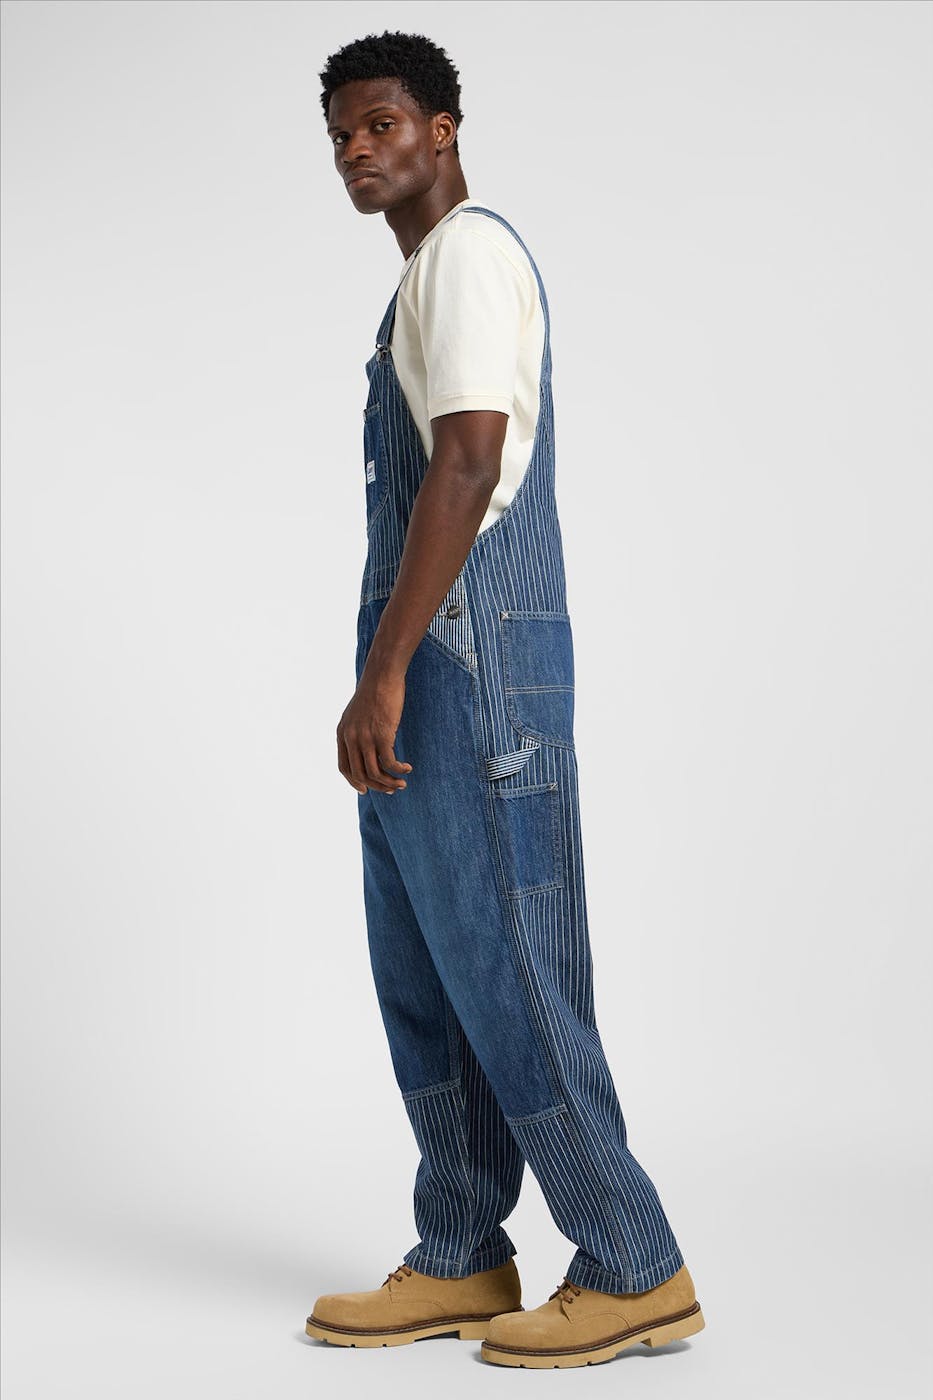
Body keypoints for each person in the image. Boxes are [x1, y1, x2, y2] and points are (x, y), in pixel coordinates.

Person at [305, 30, 706, 1370]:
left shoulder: (466, 256)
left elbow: (469, 465)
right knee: (426, 964)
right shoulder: (423, 279)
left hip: (464, 664)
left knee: (511, 966)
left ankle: (634, 1262)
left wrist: (385, 671)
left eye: (380, 124)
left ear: (443, 129)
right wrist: (385, 672)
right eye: (340, 135)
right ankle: (463, 1248)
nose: (357, 150)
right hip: (430, 662)